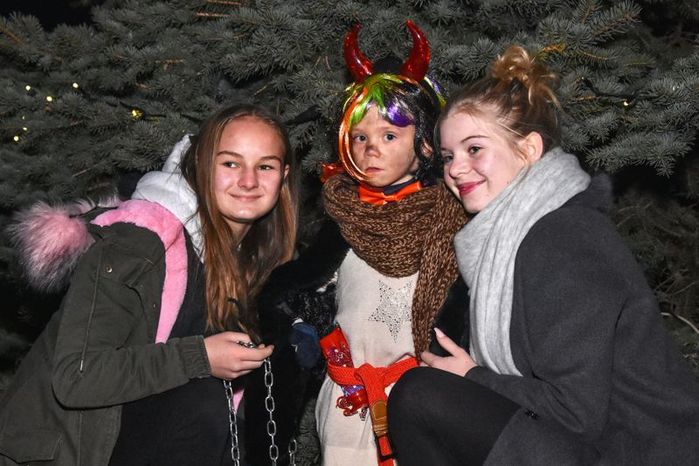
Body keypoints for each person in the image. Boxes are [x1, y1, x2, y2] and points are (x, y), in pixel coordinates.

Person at [387, 45, 699, 465]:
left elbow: (575, 413)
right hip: (597, 447)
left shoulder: (562, 237)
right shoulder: (509, 243)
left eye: (474, 149)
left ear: (529, 149)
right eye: (448, 156)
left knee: (419, 396)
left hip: (641, 455)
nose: (455, 169)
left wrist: (473, 377)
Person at [0, 103, 299, 466]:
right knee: (200, 400)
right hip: (66, 454)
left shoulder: (256, 266)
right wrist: (200, 357)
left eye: (265, 166)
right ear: (201, 165)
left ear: (283, 176)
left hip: (151, 445)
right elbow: (77, 376)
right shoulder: (140, 242)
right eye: (230, 163)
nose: (249, 181)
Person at [245, 21, 468, 466]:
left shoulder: (449, 222)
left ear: (426, 146)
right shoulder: (343, 220)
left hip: (420, 402)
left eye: (389, 136)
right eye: (360, 137)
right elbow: (297, 289)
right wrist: (303, 322)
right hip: (348, 404)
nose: (371, 149)